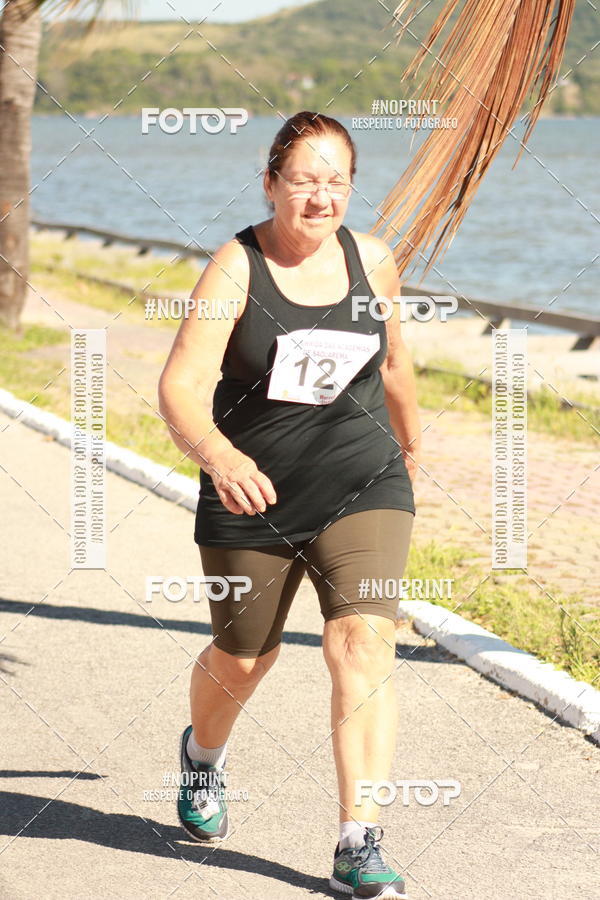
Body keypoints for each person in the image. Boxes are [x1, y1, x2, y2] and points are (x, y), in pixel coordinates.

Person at [158, 110, 421, 899]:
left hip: (361, 479)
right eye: (302, 180)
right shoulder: (236, 268)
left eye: (335, 182)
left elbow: (399, 364)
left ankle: (358, 839)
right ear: (270, 183)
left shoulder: (373, 260)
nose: (319, 197)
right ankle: (202, 759)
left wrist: (410, 451)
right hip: (255, 490)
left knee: (362, 646)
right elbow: (179, 385)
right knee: (245, 658)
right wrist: (220, 456)